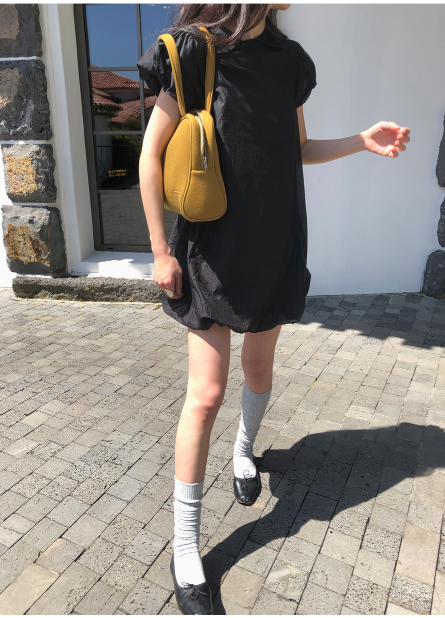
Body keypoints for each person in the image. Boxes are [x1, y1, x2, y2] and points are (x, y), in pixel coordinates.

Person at [137, 4, 410, 614]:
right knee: (206, 394)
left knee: (258, 372)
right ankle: (186, 545)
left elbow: (298, 148)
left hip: (275, 245)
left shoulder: (289, 61)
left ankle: (244, 451)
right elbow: (150, 155)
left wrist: (360, 142)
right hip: (210, 252)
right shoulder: (193, 51)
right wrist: (159, 250)